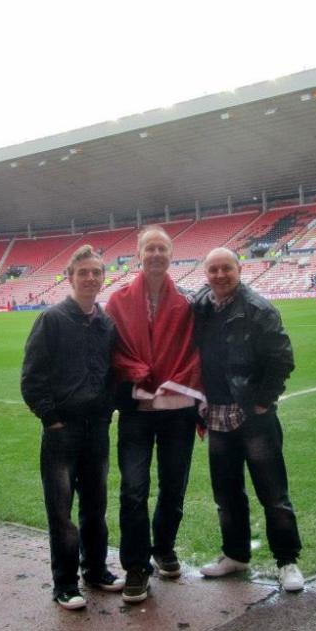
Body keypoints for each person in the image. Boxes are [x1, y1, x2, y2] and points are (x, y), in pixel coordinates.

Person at [192, 247, 304, 593]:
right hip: (218, 416)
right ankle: (235, 554)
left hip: (253, 418)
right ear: (206, 274)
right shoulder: (201, 307)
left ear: (239, 270)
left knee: (273, 494)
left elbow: (282, 359)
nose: (220, 275)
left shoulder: (259, 309)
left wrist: (262, 402)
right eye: (213, 269)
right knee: (227, 494)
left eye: (226, 268)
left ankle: (287, 561)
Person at [20, 244, 123, 611]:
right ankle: (65, 583)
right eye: (84, 272)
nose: (91, 278)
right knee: (61, 512)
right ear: (70, 277)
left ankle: (95, 570)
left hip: (97, 429)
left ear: (103, 277)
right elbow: (32, 378)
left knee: (95, 506)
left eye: (96, 272)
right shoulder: (51, 320)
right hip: (62, 432)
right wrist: (52, 419)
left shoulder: (106, 323)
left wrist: (107, 409)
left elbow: (112, 374)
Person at [105, 226, 204, 604]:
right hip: (137, 414)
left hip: (177, 414)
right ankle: (135, 566)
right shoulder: (118, 301)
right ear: (139, 254)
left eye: (163, 248)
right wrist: (133, 370)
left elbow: (198, 351)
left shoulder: (188, 304)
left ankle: (163, 547)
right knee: (133, 489)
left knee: (173, 486)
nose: (156, 254)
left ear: (171, 255)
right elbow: (111, 350)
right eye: (150, 248)